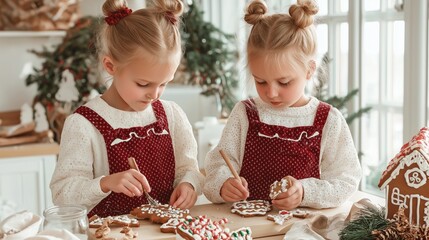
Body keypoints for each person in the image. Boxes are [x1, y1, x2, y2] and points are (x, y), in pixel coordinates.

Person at [50, 0, 204, 217]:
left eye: (164, 83)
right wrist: (105, 183)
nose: (155, 94)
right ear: (111, 66)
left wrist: (189, 185)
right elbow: (62, 194)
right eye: (143, 84)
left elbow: (189, 169)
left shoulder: (172, 115)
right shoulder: (83, 124)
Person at [203, 0, 362, 210]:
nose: (271, 92)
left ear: (309, 70)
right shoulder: (245, 113)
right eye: (260, 81)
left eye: (284, 82)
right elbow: (218, 163)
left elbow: (346, 181)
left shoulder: (328, 120)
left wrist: (305, 192)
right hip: (248, 228)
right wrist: (224, 184)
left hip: (301, 230)